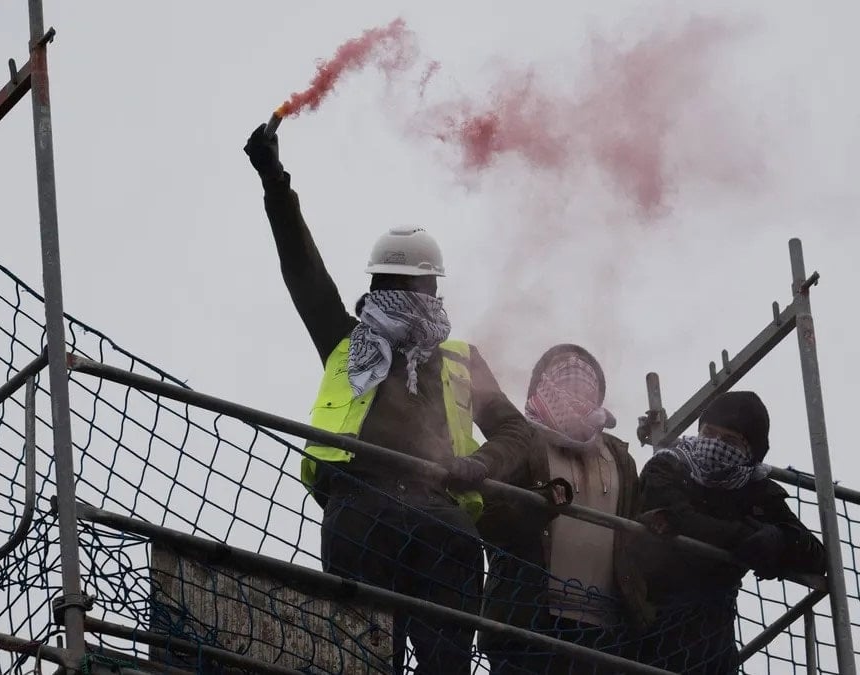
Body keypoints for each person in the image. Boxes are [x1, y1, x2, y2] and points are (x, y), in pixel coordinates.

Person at [244, 124, 532, 674]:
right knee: (382, 660)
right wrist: (276, 185)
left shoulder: (450, 357)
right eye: (389, 284)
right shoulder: (349, 340)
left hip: (424, 514)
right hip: (373, 509)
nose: (395, 295)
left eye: (401, 284)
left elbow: (516, 433)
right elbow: (303, 271)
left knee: (390, 658)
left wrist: (480, 463)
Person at [474, 344, 648, 674]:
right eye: (561, 368)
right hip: (525, 621)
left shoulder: (621, 459)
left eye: (586, 369)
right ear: (540, 383)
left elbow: (635, 535)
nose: (575, 371)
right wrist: (537, 505)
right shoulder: (522, 438)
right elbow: (486, 514)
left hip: (605, 634)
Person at [633, 391, 827, 674]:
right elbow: (682, 520)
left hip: (714, 638)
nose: (714, 445)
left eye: (730, 441)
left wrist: (777, 539)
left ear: (751, 453)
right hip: (646, 622)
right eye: (709, 433)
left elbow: (816, 555)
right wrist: (745, 537)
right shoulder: (668, 466)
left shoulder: (757, 488)